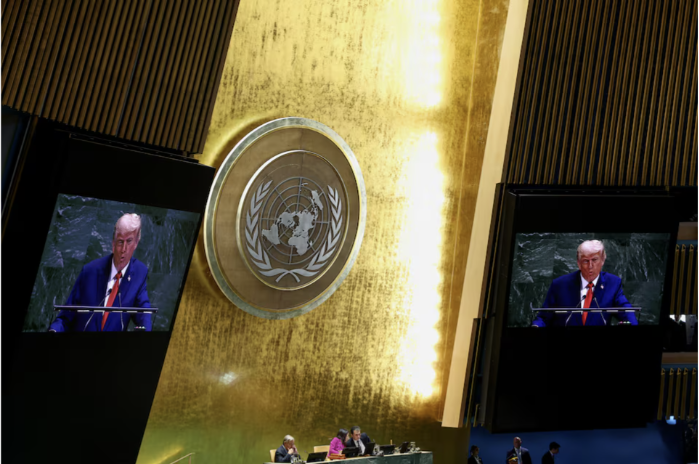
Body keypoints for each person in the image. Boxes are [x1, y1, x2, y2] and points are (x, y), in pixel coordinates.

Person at [49, 213, 152, 332]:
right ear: (113, 244)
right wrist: (54, 330)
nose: (124, 249)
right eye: (120, 242)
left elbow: (144, 313)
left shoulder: (139, 273)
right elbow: (65, 317)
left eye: (129, 241)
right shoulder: (90, 271)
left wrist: (144, 334)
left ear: (136, 243)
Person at [532, 240, 639, 327]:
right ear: (578, 263)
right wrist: (536, 326)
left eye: (595, 260)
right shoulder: (560, 285)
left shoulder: (613, 283)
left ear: (602, 260)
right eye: (585, 261)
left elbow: (626, 310)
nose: (590, 266)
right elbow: (543, 318)